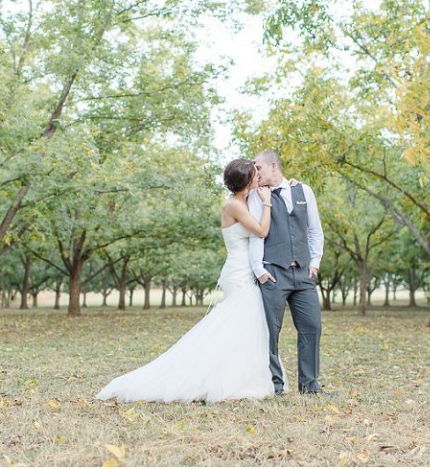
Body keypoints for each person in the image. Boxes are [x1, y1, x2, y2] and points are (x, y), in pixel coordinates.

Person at [96, 159, 274, 403]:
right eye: (255, 174)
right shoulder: (234, 205)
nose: (258, 178)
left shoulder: (244, 200)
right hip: (238, 272)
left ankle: (239, 376)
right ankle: (219, 377)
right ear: (246, 181)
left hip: (245, 269)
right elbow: (262, 231)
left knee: (244, 325)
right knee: (235, 322)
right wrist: (267, 203)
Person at [247, 150, 327, 395]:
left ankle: (309, 385)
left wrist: (315, 262)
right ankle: (275, 385)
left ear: (273, 165)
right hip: (273, 272)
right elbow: (257, 234)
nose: (255, 173)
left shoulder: (304, 191)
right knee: (270, 331)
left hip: (303, 273)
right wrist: (259, 270)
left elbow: (314, 229)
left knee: (312, 327)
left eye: (258, 168)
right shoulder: (256, 196)